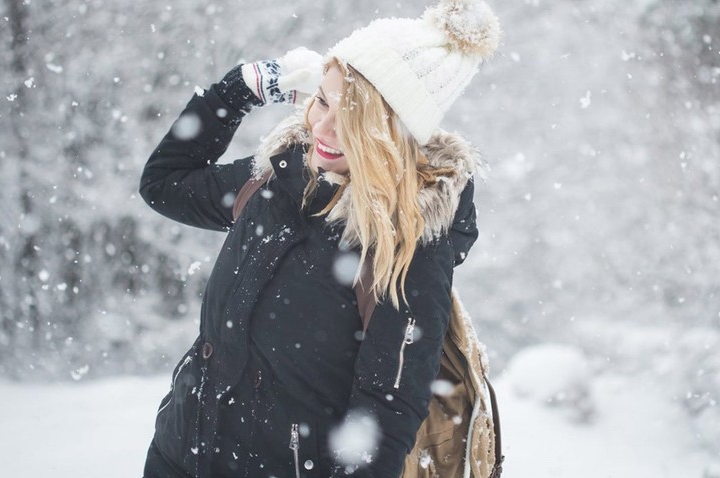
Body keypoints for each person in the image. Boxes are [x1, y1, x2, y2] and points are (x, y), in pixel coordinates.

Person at [139, 1, 500, 477]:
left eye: (352, 117)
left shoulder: (404, 243)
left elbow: (385, 414)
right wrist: (239, 88)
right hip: (180, 454)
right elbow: (164, 185)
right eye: (324, 100)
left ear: (393, 132)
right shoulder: (280, 177)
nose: (323, 127)